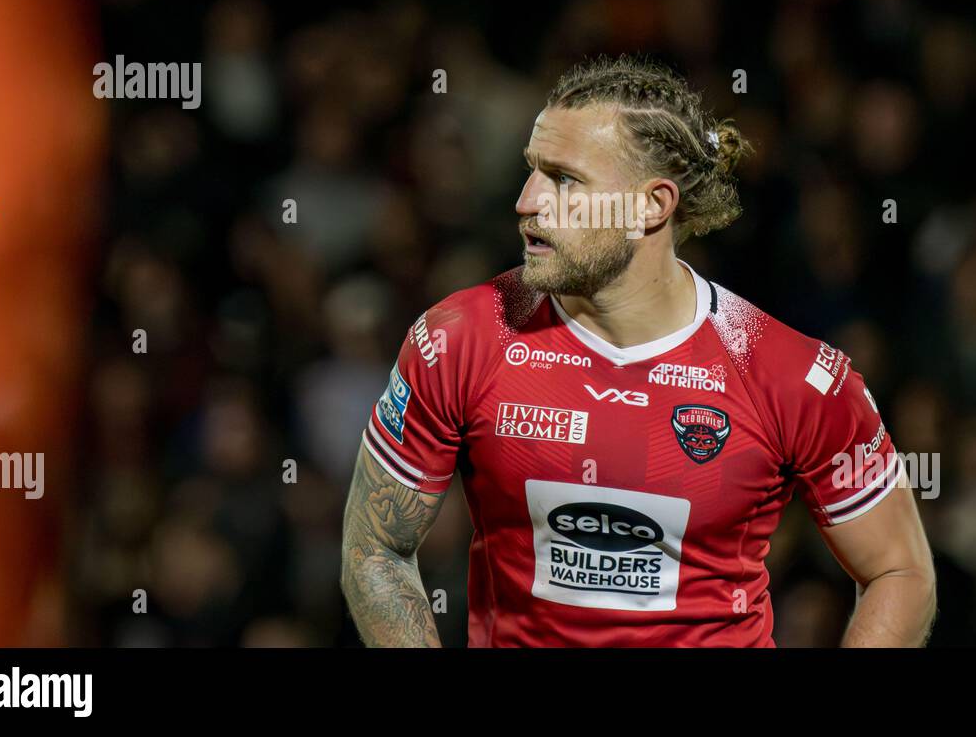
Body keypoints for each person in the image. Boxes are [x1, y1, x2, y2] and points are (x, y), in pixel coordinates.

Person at [341, 55, 936, 646]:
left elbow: (900, 571)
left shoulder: (792, 376)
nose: (527, 201)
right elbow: (376, 548)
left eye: (565, 179)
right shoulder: (461, 340)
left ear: (652, 204)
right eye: (532, 170)